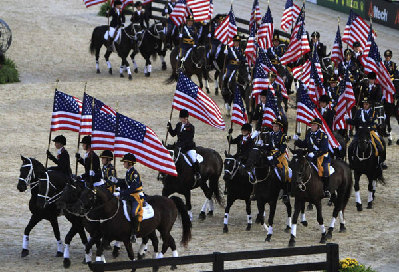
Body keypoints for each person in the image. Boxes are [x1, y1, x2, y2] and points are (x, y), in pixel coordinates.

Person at [293, 118, 332, 198]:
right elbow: (304, 144)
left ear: (318, 126)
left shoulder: (323, 135)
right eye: (312, 125)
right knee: (300, 167)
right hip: (311, 157)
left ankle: (326, 189)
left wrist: (314, 153)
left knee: (325, 170)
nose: (312, 126)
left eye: (314, 125)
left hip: (322, 157)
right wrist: (297, 140)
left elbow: (324, 149)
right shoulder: (309, 134)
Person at [346, 97, 386, 169]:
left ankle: (381, 161)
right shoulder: (359, 112)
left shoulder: (374, 113)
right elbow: (355, 122)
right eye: (364, 104)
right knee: (350, 146)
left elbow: (375, 123)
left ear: (370, 105)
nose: (365, 105)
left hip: (370, 132)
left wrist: (368, 127)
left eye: (366, 104)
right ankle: (351, 162)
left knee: (381, 144)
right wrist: (348, 120)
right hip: (360, 132)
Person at [113, 153, 144, 243]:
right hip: (129, 195)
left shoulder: (135, 174)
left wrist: (121, 193)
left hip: (136, 196)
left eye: (125, 162)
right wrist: (116, 180)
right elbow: (126, 182)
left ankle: (134, 233)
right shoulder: (128, 172)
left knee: (134, 212)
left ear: (129, 163)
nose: (123, 164)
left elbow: (132, 188)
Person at [167, 109, 201, 181]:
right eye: (183, 118)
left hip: (189, 147)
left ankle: (197, 173)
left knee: (193, 159)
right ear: (180, 118)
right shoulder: (179, 125)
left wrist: (180, 146)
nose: (185, 119)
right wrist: (169, 128)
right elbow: (173, 134)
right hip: (179, 146)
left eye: (186, 118)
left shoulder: (190, 127)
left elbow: (188, 139)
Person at [264, 119, 290, 202]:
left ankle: (285, 192)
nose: (274, 128)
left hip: (280, 156)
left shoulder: (283, 136)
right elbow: (267, 146)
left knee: (285, 171)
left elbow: (282, 149)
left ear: (279, 127)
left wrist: (275, 156)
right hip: (270, 155)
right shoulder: (269, 135)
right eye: (273, 126)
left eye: (276, 126)